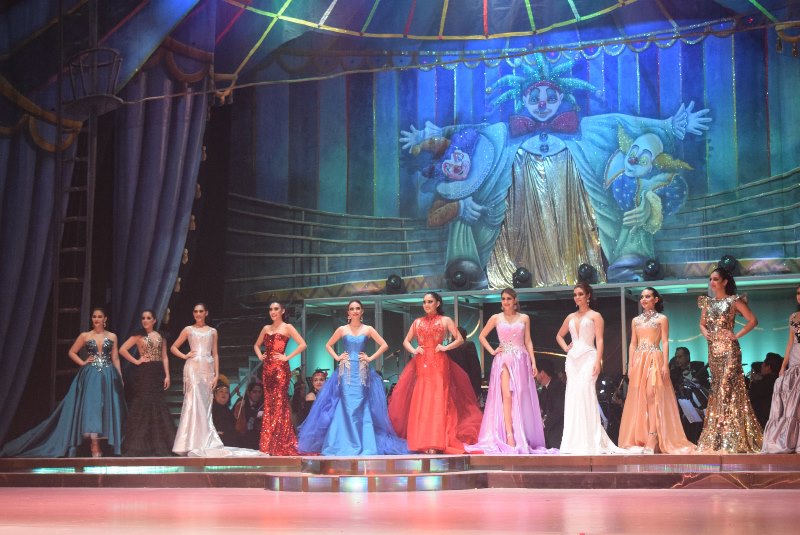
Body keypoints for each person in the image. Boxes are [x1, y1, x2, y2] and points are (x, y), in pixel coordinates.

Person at [1, 308, 126, 457]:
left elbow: (115, 358)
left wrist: (120, 376)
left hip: (108, 375)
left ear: (105, 319)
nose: (96, 319)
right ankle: (94, 445)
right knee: (92, 408)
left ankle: (106, 444)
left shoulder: (112, 336)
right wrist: (83, 362)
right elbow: (71, 352)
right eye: (94, 316)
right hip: (91, 375)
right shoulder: (85, 335)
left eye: (99, 316)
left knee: (106, 406)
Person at [298, 300, 408, 455]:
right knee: (346, 404)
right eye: (352, 309)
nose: (355, 311)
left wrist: (370, 358)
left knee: (361, 404)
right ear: (348, 312)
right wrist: (337, 357)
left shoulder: (368, 329)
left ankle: (363, 444)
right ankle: (344, 444)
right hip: (347, 371)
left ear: (362, 311)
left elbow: (384, 345)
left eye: (357, 308)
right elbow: (328, 345)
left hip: (362, 372)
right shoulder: (342, 329)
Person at [388, 292, 482, 454]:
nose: (426, 305)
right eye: (424, 302)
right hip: (421, 363)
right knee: (423, 400)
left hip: (439, 363)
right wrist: (414, 350)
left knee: (438, 400)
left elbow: (459, 339)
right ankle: (423, 441)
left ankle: (437, 441)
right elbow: (406, 341)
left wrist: (445, 347)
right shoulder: (417, 322)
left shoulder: (445, 320)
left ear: (437, 303)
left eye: (430, 301)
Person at [466, 288, 548, 454]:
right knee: (507, 396)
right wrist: (492, 351)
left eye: (509, 298)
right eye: (503, 299)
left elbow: (528, 341)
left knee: (521, 396)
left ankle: (521, 434)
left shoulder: (524, 318)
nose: (505, 302)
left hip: (521, 360)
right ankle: (509, 435)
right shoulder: (496, 318)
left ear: (515, 300)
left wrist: (533, 362)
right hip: (503, 360)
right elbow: (482, 336)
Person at [617, 288, 695, 454]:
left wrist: (665, 364)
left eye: (648, 296)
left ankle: (653, 436)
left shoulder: (662, 319)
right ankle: (642, 436)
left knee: (652, 394)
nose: (644, 299)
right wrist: (630, 365)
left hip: (654, 357)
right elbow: (633, 343)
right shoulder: (636, 320)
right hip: (639, 360)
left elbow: (665, 341)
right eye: (642, 297)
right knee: (640, 397)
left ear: (656, 299)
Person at [696, 268, 762, 453]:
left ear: (725, 282)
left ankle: (727, 437)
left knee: (726, 389)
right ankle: (720, 437)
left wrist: (736, 335)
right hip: (713, 352)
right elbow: (702, 323)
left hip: (729, 351)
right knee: (717, 390)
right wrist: (705, 333)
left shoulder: (733, 300)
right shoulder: (708, 302)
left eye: (716, 279)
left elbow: (752, 320)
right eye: (710, 279)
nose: (712, 282)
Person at [556, 282, 622, 454]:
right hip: (572, 360)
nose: (577, 297)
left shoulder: (595, 316)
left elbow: (599, 340)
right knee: (573, 396)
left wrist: (598, 362)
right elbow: (559, 335)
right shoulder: (570, 317)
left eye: (580, 294)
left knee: (586, 394)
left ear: (588, 296)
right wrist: (565, 348)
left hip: (589, 358)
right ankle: (573, 441)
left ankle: (590, 440)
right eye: (575, 294)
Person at [119, 309, 175, 456]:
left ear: (154, 320)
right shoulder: (138, 335)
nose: (145, 320)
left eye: (148, 318)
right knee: (143, 405)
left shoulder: (161, 336)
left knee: (158, 404)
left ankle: (160, 444)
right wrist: (136, 361)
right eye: (143, 318)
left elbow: (164, 357)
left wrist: (167, 375)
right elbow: (122, 349)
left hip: (157, 373)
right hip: (144, 373)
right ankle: (139, 445)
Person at [171, 303, 224, 455]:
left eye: (201, 311)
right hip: (193, 368)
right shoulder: (188, 329)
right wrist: (184, 355)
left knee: (205, 405)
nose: (198, 314)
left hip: (207, 369)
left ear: (206, 313)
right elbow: (173, 347)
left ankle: (204, 441)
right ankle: (188, 443)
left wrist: (217, 374)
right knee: (193, 402)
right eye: (195, 311)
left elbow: (215, 354)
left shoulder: (213, 331)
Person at [254, 301, 307, 456]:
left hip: (280, 369)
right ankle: (269, 443)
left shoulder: (287, 327)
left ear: (282, 311)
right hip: (267, 370)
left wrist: (287, 357)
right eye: (271, 309)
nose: (273, 312)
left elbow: (303, 344)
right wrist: (260, 356)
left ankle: (280, 441)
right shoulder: (266, 328)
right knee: (269, 405)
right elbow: (256, 345)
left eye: (276, 309)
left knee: (279, 403)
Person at [762, 285, 800, 453]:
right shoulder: (793, 316)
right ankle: (791, 439)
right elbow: (790, 342)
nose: (799, 296)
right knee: (792, 402)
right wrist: (783, 365)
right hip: (795, 359)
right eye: (798, 293)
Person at [536, 359, 566, 449]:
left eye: (536, 373)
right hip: (548, 432)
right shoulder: (544, 389)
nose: (535, 376)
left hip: (558, 435)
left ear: (542, 373)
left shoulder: (559, 387)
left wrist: (543, 424)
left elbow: (558, 412)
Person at [447, 327, 483, 399]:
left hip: (452, 385)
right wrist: (477, 389)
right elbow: (475, 367)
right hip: (467, 383)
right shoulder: (469, 345)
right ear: (465, 336)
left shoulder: (447, 348)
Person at [750, 353, 783, 429]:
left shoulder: (766, 383)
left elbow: (751, 395)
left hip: (764, 422)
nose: (761, 366)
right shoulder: (780, 381)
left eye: (763, 363)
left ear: (768, 367)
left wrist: (753, 382)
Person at [232, 381, 264, 449]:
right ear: (249, 393)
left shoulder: (260, 404)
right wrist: (261, 414)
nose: (257, 394)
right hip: (239, 436)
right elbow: (248, 412)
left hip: (252, 436)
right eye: (254, 392)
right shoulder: (242, 401)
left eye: (259, 392)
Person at [212, 378, 237, 447]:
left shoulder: (227, 410)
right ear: (215, 394)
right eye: (221, 391)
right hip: (217, 440)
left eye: (226, 392)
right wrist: (215, 433)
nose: (224, 394)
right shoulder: (210, 409)